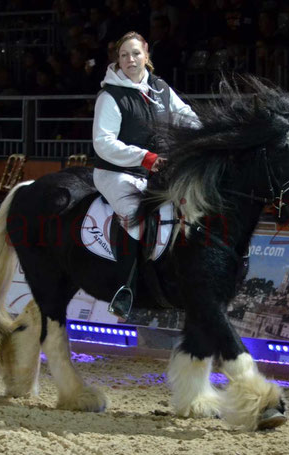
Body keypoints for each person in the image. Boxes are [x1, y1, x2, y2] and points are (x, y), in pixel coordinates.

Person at [92, 31, 198, 317]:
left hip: (158, 172)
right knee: (136, 214)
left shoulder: (161, 88)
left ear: (146, 55)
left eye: (136, 53)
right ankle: (124, 287)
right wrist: (145, 157)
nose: (130, 60)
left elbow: (184, 115)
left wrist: (206, 137)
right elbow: (103, 143)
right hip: (117, 172)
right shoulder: (110, 96)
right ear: (118, 59)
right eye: (124, 55)